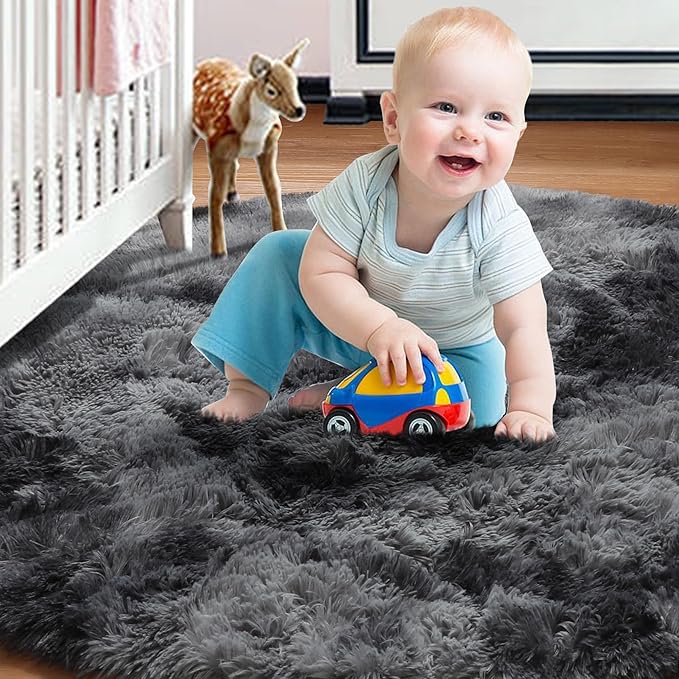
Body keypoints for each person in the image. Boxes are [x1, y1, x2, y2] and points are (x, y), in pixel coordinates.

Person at [192, 6, 556, 442]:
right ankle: (248, 386)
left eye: (496, 117)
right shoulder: (367, 183)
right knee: (280, 254)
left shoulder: (499, 224)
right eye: (446, 107)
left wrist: (531, 407)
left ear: (518, 134)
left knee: (475, 414)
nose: (470, 132)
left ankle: (361, 393)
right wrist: (379, 328)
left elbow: (523, 326)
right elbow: (322, 273)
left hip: (451, 353)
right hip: (356, 323)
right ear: (393, 119)